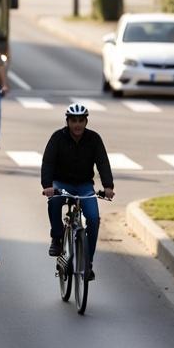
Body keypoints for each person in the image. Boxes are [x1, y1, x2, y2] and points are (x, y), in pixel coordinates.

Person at [41, 103, 115, 279]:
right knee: (54, 202)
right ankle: (57, 237)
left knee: (93, 219)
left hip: (84, 185)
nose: (77, 124)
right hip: (61, 183)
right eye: (73, 120)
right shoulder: (57, 138)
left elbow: (103, 163)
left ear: (86, 121)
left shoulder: (94, 139)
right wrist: (47, 186)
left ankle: (87, 263)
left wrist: (108, 186)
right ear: (67, 121)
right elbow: (48, 162)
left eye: (81, 120)